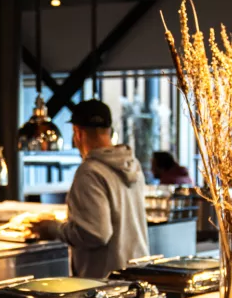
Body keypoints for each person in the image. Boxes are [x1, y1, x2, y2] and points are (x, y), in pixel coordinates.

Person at [34, 100, 150, 278]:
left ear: (78, 133)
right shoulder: (132, 164)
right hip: (137, 275)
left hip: (104, 285)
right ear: (109, 131)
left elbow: (95, 233)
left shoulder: (90, 172)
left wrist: (52, 228)